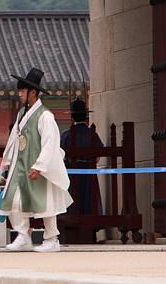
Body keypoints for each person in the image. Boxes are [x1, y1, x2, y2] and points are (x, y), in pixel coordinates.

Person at [0, 67, 72, 253]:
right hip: (21, 165)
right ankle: (23, 235)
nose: (20, 94)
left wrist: (40, 165)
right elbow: (15, 140)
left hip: (38, 166)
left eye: (23, 91)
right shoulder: (22, 114)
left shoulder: (45, 116)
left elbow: (50, 143)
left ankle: (52, 239)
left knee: (46, 202)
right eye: (19, 91)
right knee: (14, 199)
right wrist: (9, 161)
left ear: (33, 92)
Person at [60, 96, 103, 243]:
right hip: (89, 173)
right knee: (89, 200)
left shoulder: (66, 134)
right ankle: (91, 230)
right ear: (85, 116)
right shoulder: (92, 134)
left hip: (72, 174)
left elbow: (61, 155)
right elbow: (98, 154)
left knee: (73, 200)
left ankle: (70, 230)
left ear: (72, 117)